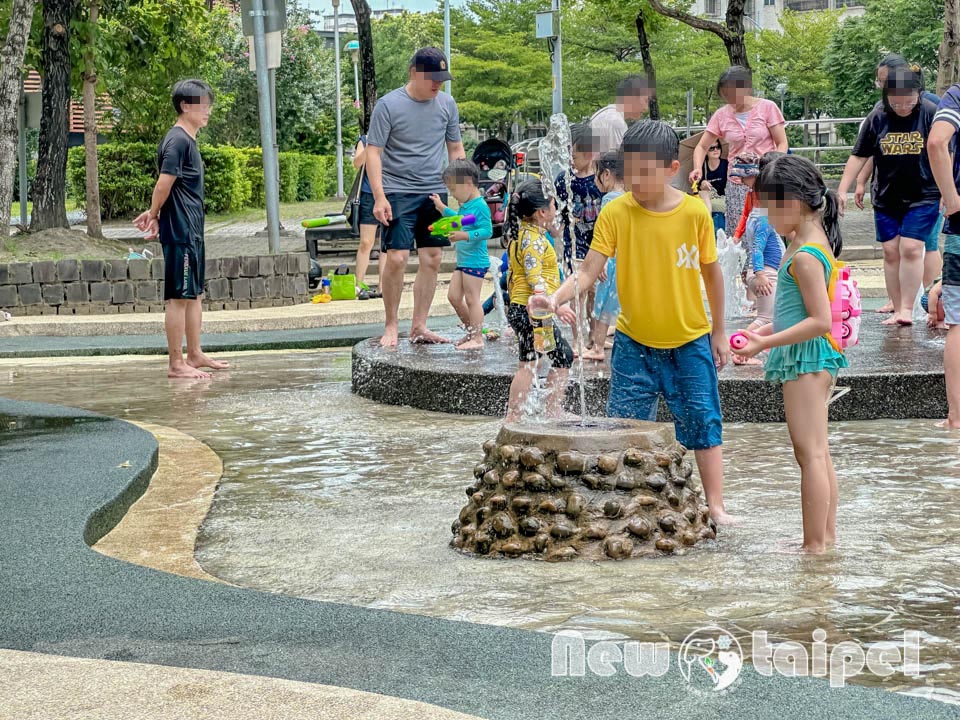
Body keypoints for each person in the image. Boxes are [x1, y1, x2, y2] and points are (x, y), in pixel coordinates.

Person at [531, 121, 735, 525]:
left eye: (645, 172)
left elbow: (713, 273)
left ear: (669, 168)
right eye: (630, 171)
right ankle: (620, 502)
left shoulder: (694, 212)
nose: (635, 181)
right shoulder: (617, 211)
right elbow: (588, 271)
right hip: (633, 343)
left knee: (703, 422)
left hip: (689, 340)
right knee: (621, 427)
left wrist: (720, 331)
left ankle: (716, 505)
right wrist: (554, 298)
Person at [732, 155, 848, 554]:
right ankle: (825, 536)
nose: (765, 216)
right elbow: (795, 312)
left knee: (810, 453)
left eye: (769, 206)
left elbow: (819, 320)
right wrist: (763, 329)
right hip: (811, 358)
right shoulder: (805, 243)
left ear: (794, 202)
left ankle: (813, 545)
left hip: (807, 360)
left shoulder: (804, 254)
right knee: (818, 450)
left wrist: (764, 344)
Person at [365, 47, 465, 347]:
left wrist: (462, 195)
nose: (438, 84)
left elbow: (455, 149)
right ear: (413, 73)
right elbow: (373, 152)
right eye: (432, 78)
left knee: (432, 257)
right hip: (397, 191)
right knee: (396, 258)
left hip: (434, 192)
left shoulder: (447, 104)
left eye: (442, 79)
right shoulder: (388, 105)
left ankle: (419, 325)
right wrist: (379, 197)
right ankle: (392, 325)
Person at [134, 79, 229, 380]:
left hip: (192, 229)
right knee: (179, 296)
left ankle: (195, 354)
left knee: (195, 294)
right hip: (181, 230)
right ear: (185, 106)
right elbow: (164, 182)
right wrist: (153, 214)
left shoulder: (188, 140)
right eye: (202, 103)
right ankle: (176, 363)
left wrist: (157, 213)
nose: (208, 110)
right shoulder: (177, 141)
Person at [837, 64, 941, 327]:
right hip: (886, 196)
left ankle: (907, 308)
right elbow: (859, 154)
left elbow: (946, 152)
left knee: (912, 247)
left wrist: (949, 192)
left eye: (908, 101)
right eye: (896, 102)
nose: (903, 107)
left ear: (919, 94)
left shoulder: (930, 112)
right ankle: (897, 306)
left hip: (924, 194)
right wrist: (843, 188)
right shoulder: (878, 116)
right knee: (890, 250)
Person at [504, 180, 576, 422]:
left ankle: (517, 415)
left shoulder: (522, 233)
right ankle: (547, 412)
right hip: (532, 311)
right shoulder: (533, 239)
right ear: (541, 212)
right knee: (552, 356)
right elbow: (534, 276)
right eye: (554, 205)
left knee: (535, 358)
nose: (556, 210)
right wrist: (554, 304)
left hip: (523, 309)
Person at [690, 66, 788, 236]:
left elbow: (782, 144)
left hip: (765, 181)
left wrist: (773, 169)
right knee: (738, 232)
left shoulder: (768, 108)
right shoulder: (721, 115)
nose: (730, 100)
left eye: (733, 94)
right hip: (736, 183)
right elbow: (701, 146)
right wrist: (697, 167)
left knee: (765, 232)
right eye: (726, 96)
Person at [431, 159, 494, 350]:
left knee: (472, 299)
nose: (452, 194)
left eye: (453, 189)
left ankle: (477, 338)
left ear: (467, 183)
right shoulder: (467, 206)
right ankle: (471, 332)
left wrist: (464, 236)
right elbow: (461, 220)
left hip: (475, 261)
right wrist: (442, 208)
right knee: (453, 297)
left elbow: (487, 231)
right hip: (464, 260)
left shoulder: (480, 206)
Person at [926, 78, 960, 427]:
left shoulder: (957, 96)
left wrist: (951, 201)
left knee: (959, 324)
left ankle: (957, 417)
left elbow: (937, 142)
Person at [584, 150, 625, 362]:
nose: (594, 179)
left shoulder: (609, 199)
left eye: (596, 174)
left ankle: (597, 347)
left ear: (606, 174)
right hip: (625, 260)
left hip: (610, 261)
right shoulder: (628, 197)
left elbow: (605, 235)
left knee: (602, 304)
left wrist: (600, 264)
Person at [351, 135, 383, 300]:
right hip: (369, 195)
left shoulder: (396, 138)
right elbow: (357, 163)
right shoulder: (365, 140)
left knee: (387, 243)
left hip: (391, 192)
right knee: (366, 242)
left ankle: (383, 285)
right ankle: (358, 284)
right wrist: (371, 145)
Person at [590, 74, 654, 154]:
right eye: (646, 100)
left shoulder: (607, 115)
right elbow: (620, 163)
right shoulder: (615, 122)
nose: (646, 108)